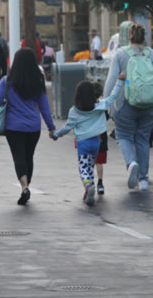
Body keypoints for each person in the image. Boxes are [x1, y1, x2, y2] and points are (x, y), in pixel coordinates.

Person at [103, 23, 153, 192]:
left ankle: (131, 163)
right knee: (143, 139)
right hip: (148, 105)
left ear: (128, 37)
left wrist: (106, 103)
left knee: (123, 135)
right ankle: (143, 179)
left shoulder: (120, 55)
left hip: (124, 104)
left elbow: (111, 80)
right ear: (144, 37)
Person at [0, 48, 56, 205]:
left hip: (13, 127)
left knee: (18, 157)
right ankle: (27, 186)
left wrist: (9, 102)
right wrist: (51, 127)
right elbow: (44, 106)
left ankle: (24, 186)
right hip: (33, 127)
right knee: (29, 158)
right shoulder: (38, 81)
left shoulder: (7, 81)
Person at [52, 74, 124, 206]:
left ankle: (87, 186)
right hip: (96, 142)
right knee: (90, 166)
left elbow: (67, 127)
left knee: (83, 168)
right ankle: (90, 191)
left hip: (83, 143)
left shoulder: (74, 111)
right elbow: (112, 96)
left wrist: (56, 135)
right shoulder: (100, 106)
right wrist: (119, 81)